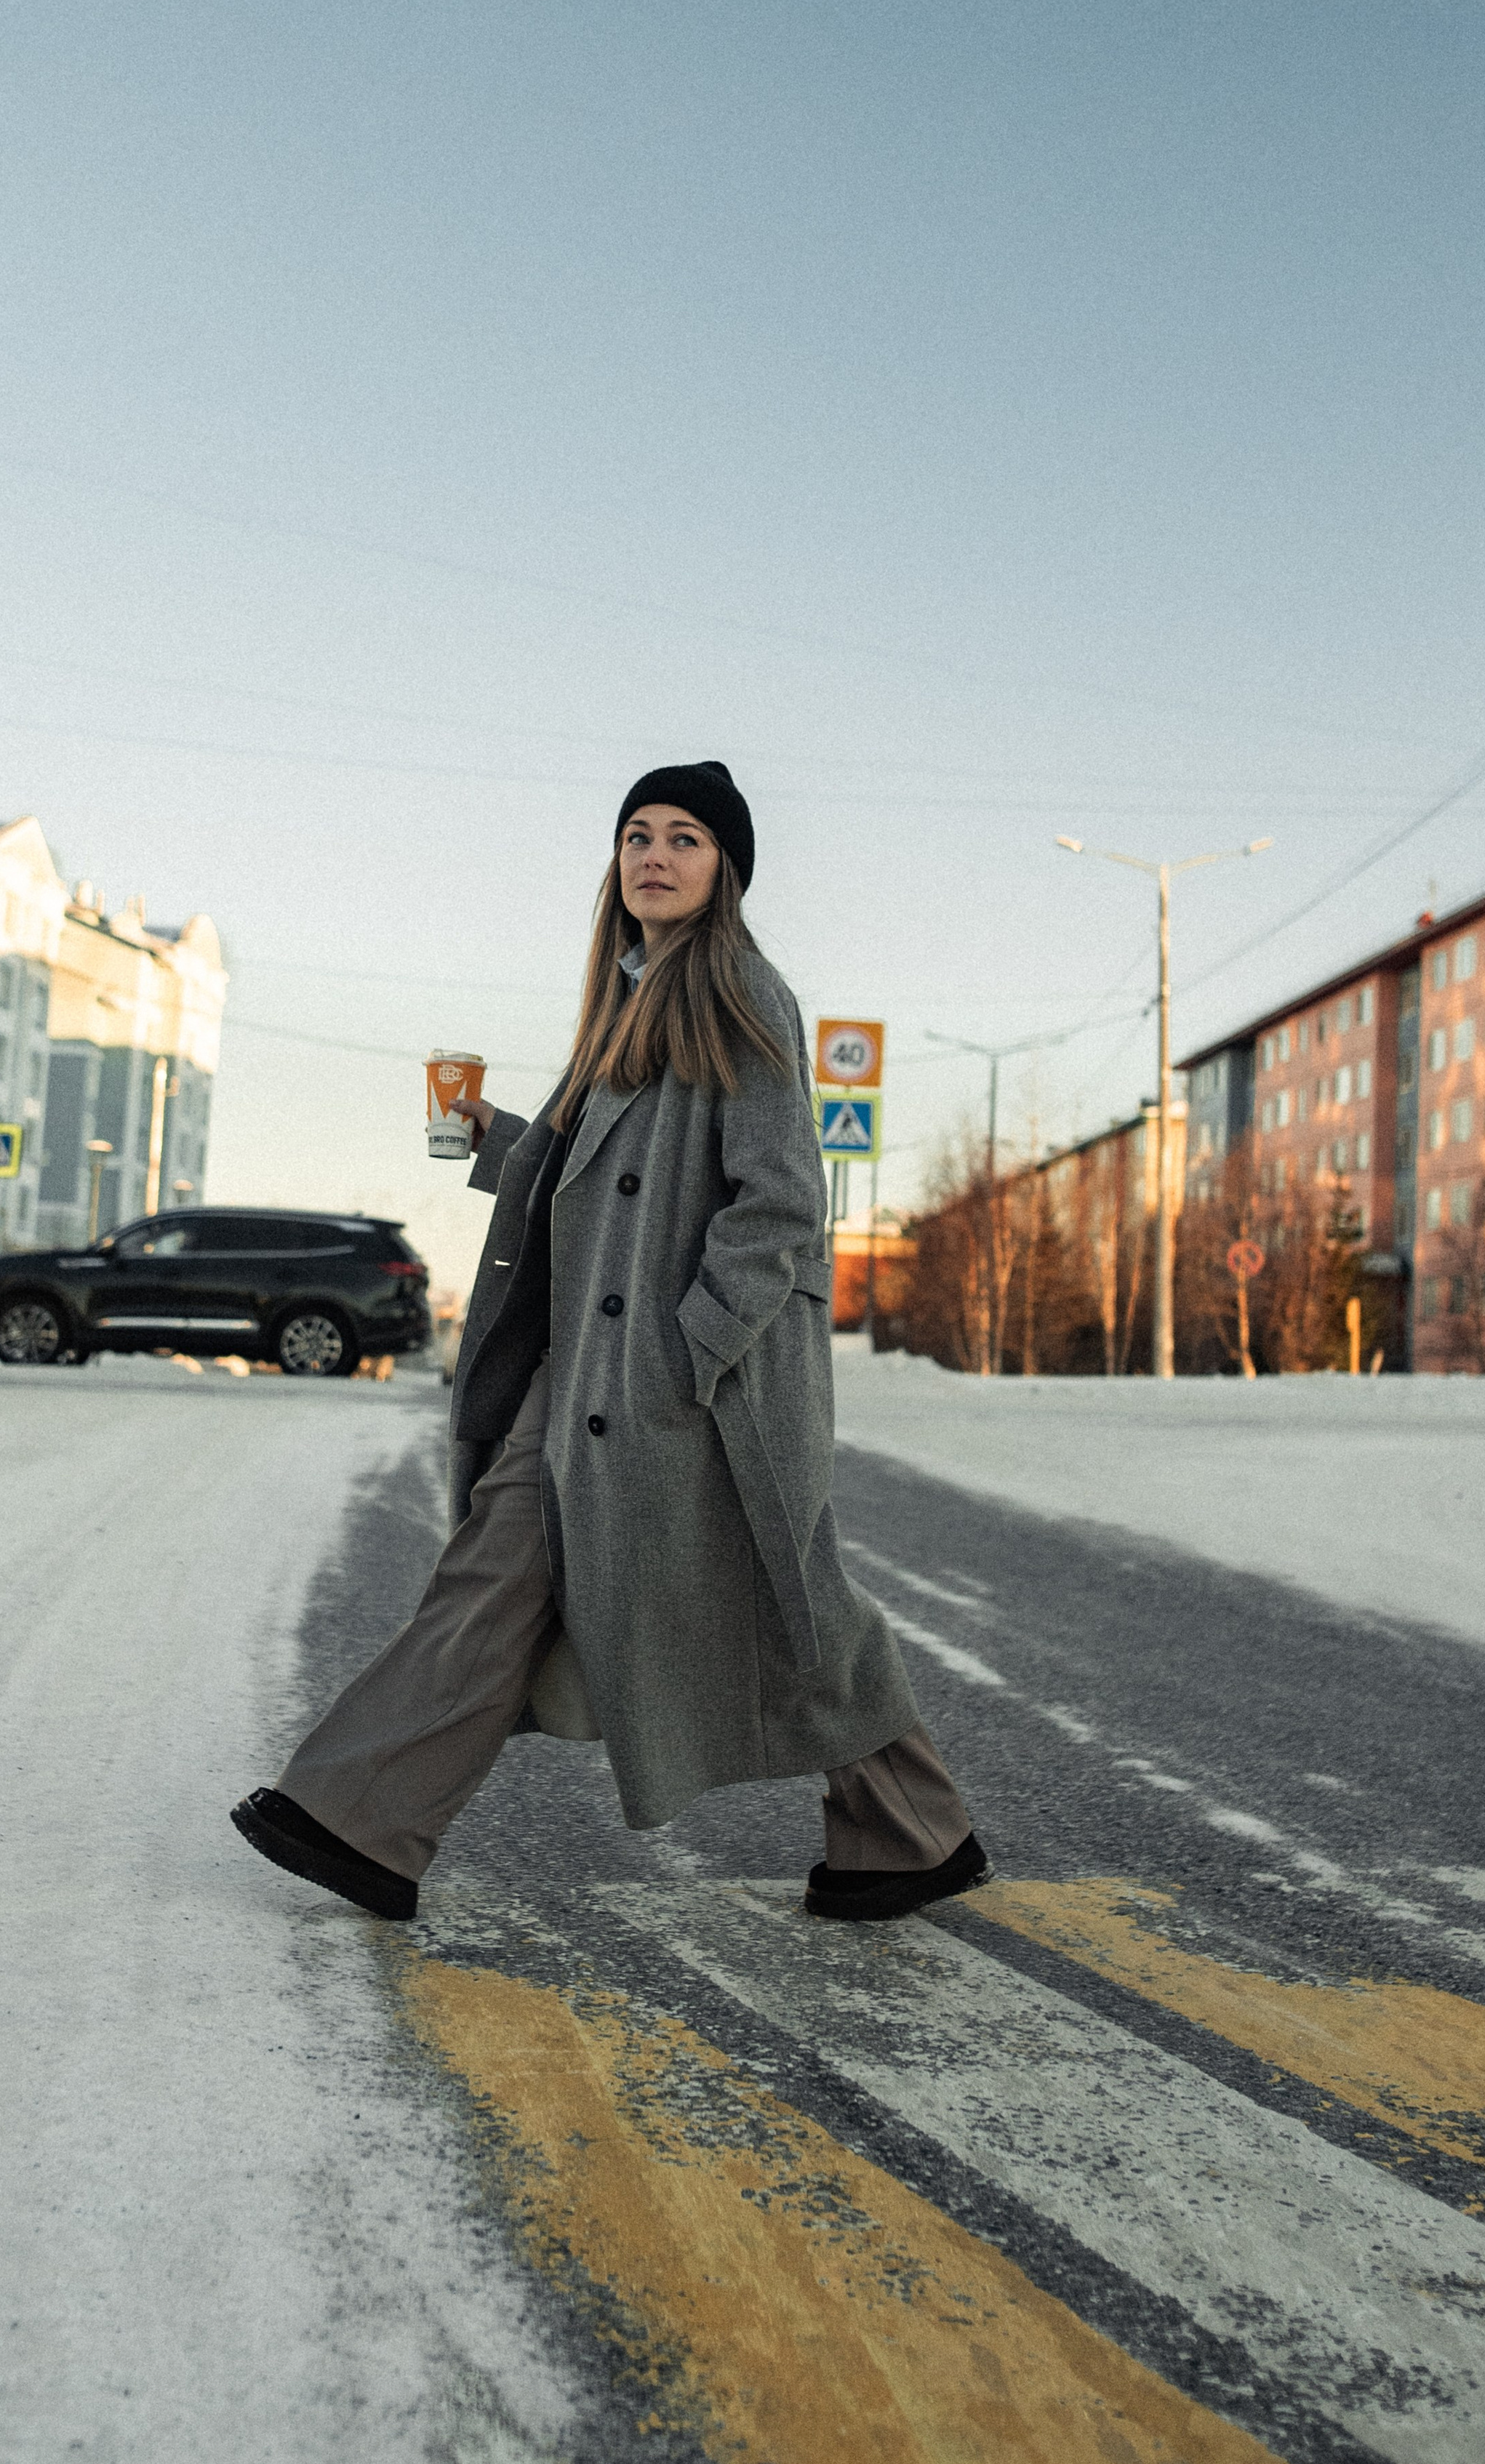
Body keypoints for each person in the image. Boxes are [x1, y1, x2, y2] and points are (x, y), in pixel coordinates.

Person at [232, 762, 985, 1927]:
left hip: (699, 1386)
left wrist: (692, 1353)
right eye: (639, 835)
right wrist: (500, 1140)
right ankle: (361, 1822)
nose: (656, 856)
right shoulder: (631, 996)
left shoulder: (739, 986)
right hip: (587, 1369)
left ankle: (912, 1834)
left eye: (686, 839)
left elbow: (781, 1200)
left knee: (799, 1608)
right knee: (494, 1578)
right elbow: (610, 1180)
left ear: (724, 869)